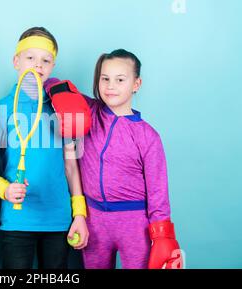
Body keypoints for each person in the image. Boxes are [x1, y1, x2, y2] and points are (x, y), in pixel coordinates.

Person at [0, 27, 89, 269]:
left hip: (58, 220)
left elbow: (71, 166)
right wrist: (4, 189)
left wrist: (79, 213)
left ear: (52, 66)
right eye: (30, 58)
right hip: (17, 219)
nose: (38, 65)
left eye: (46, 60)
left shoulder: (63, 108)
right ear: (16, 61)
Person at [78, 49, 182, 269]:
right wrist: (58, 91)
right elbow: (56, 85)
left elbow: (158, 192)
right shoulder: (88, 112)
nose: (110, 86)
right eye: (104, 78)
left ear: (136, 84)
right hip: (93, 219)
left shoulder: (148, 136)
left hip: (134, 222)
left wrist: (163, 236)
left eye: (120, 79)